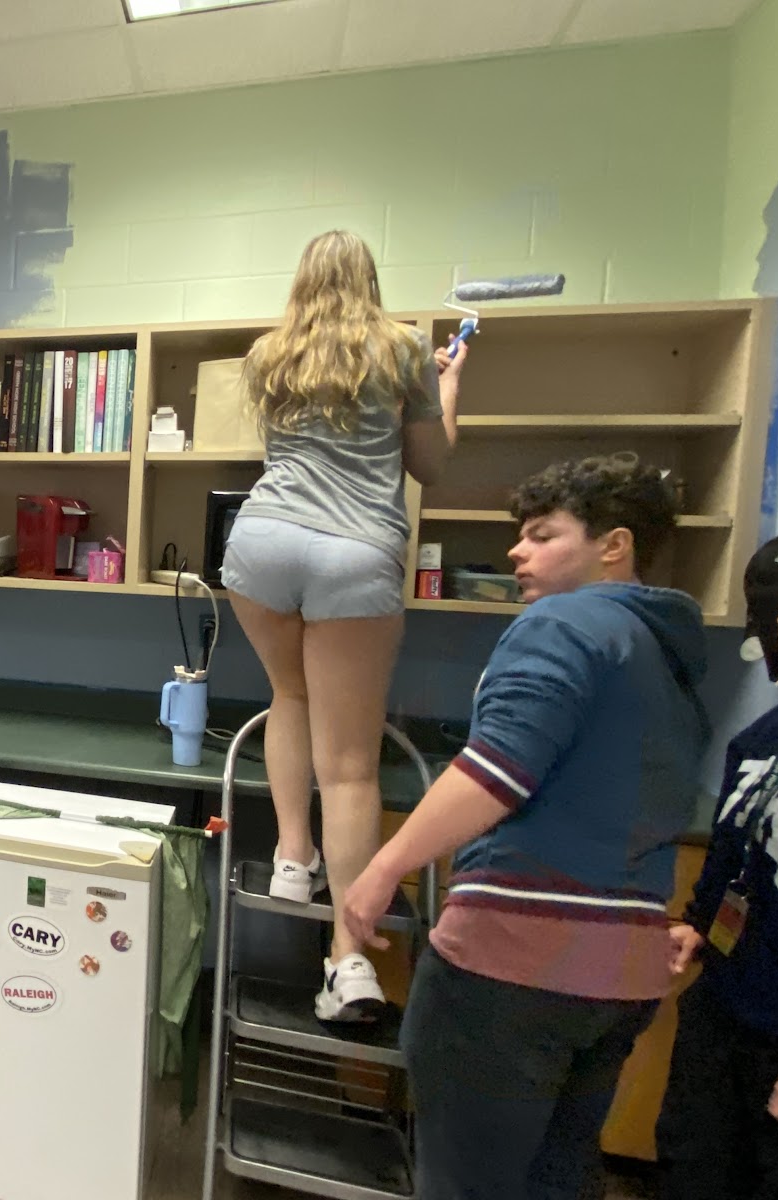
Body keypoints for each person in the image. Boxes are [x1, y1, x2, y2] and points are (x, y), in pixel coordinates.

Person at [340, 453, 708, 1199]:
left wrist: (381, 869)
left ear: (615, 545)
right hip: (621, 979)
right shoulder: (669, 655)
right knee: (560, 1175)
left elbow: (498, 769)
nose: (517, 551)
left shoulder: (564, 622)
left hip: (514, 972)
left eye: (543, 534)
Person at [219, 229, 466, 1020]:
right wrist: (448, 385)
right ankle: (347, 961)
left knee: (288, 696)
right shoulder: (405, 351)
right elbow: (430, 464)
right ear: (370, 280)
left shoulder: (269, 353)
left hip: (261, 543)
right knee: (353, 767)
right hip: (354, 553)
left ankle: (293, 856)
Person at [655, 532, 778, 1199]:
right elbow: (737, 858)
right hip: (726, 1009)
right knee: (693, 1165)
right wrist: (699, 927)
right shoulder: (767, 738)